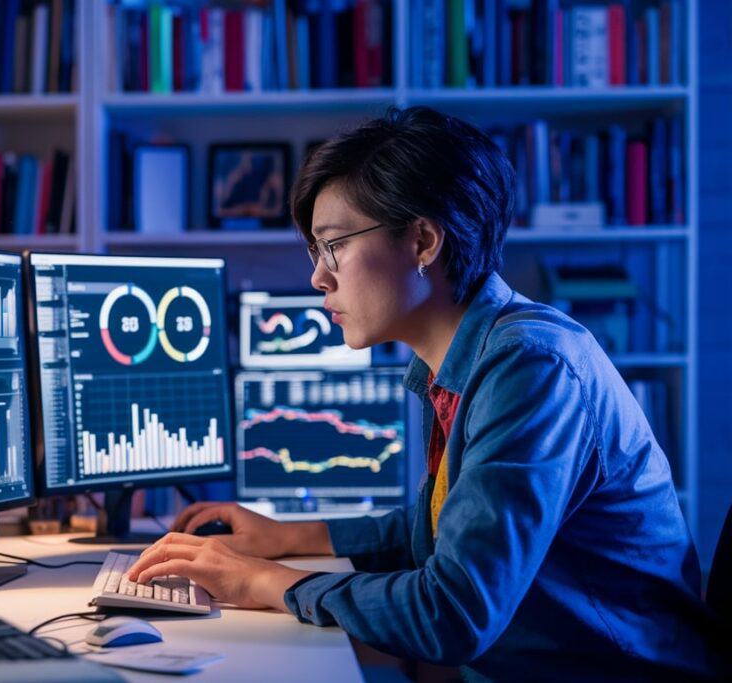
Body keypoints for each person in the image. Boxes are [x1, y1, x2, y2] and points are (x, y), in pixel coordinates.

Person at [126, 107, 725, 680]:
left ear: (423, 242)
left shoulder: (529, 367)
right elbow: (441, 529)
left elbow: (454, 611)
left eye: (333, 245)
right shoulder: (462, 360)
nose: (317, 277)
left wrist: (260, 581)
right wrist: (288, 538)